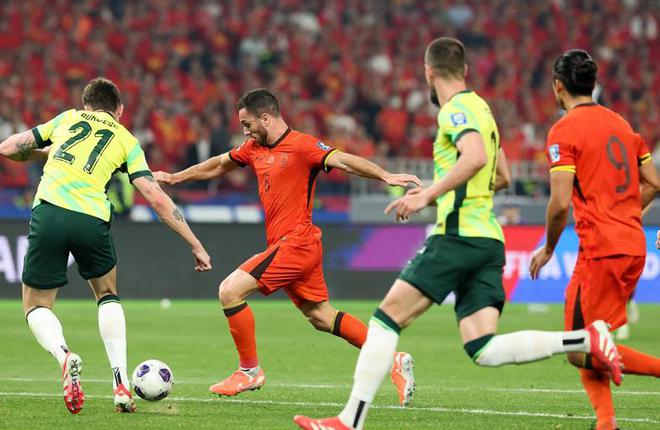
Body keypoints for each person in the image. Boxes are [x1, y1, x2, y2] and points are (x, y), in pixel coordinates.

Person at [293, 38, 620, 430]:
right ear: (464, 70)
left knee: (384, 321)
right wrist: (445, 195)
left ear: (428, 72)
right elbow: (502, 176)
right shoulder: (483, 109)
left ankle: (349, 421)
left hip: (458, 236)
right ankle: (587, 339)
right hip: (489, 240)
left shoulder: (455, 110)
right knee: (483, 347)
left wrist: (428, 194)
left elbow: (476, 157)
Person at [154, 88, 421, 405]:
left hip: (296, 243)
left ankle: (249, 370)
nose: (245, 131)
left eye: (247, 124)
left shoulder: (302, 146)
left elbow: (342, 160)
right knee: (321, 316)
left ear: (266, 118)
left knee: (229, 291)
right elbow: (219, 164)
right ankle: (392, 359)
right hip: (294, 246)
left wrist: (385, 175)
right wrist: (176, 178)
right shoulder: (253, 148)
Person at [0, 77, 212, 414]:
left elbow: (9, 148)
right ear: (120, 110)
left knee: (37, 304)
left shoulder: (68, 119)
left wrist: (47, 152)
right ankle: (121, 385)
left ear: (86, 103)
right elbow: (155, 197)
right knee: (107, 294)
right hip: (91, 218)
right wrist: (194, 243)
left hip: (50, 211)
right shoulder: (127, 140)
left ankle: (64, 356)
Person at [528, 49, 660, 430]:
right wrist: (625, 214)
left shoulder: (564, 130)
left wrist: (549, 248)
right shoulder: (621, 124)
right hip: (631, 246)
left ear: (558, 86)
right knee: (588, 340)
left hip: (601, 250)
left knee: (580, 346)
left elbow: (559, 204)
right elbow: (654, 183)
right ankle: (606, 422)